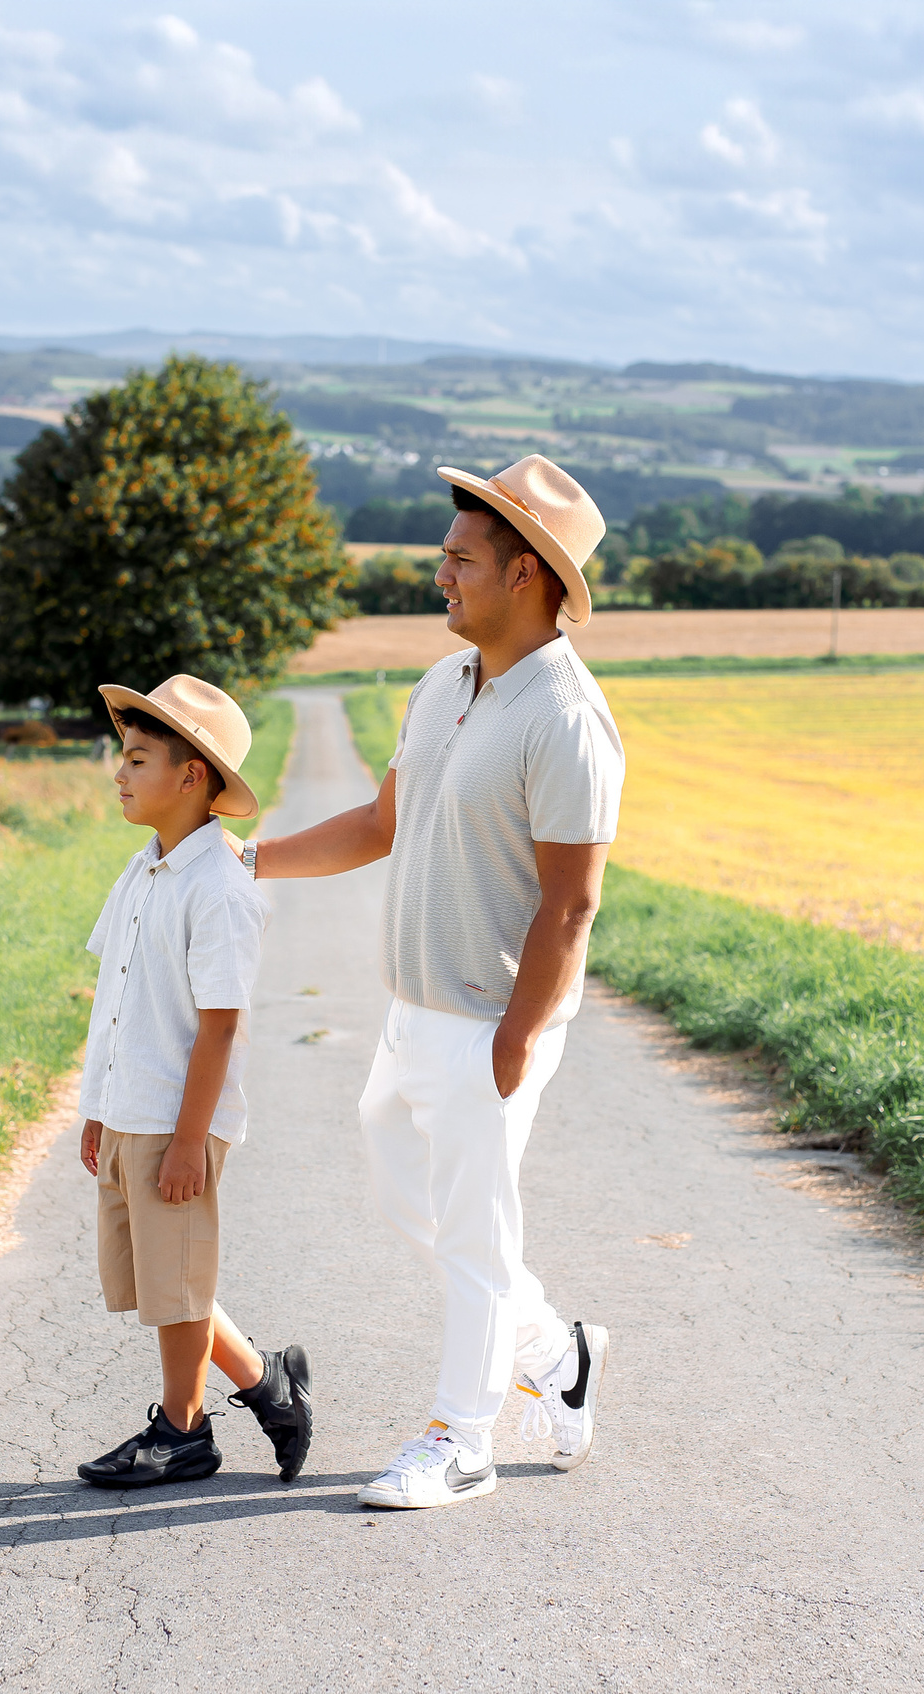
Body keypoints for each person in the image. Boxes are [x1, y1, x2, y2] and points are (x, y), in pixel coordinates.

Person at [245, 454, 622, 1510]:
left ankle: (463, 1439)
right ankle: (555, 1355)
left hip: (488, 1021)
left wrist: (513, 1042)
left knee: (473, 1235)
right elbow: (378, 825)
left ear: (526, 576)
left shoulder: (565, 716)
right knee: (408, 1198)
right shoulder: (442, 685)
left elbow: (570, 904)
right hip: (411, 1012)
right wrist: (248, 861)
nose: (440, 573)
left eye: (460, 559)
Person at [74, 674, 314, 1488]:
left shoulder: (220, 887)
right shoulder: (141, 872)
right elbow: (115, 999)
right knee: (163, 1279)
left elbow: (219, 1026)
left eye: (138, 758)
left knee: (174, 1284)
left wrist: (187, 1140)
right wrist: (96, 1109)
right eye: (121, 756)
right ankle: (266, 1383)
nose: (120, 772)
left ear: (192, 776)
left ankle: (183, 1430)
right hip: (133, 1105)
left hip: (180, 1115)